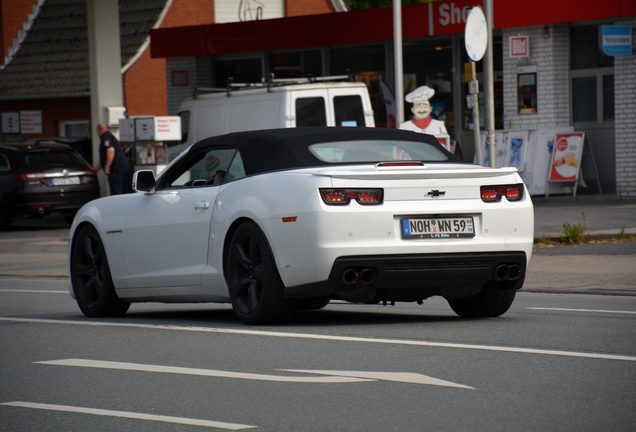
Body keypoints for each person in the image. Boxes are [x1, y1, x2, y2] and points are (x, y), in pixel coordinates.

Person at [95, 122, 129, 195]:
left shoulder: (105, 137)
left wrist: (107, 166)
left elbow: (111, 150)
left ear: (99, 130)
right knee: (123, 190)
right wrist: (95, 170)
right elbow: (103, 159)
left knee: (116, 192)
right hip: (122, 167)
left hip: (116, 169)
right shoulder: (110, 136)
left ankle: (117, 205)